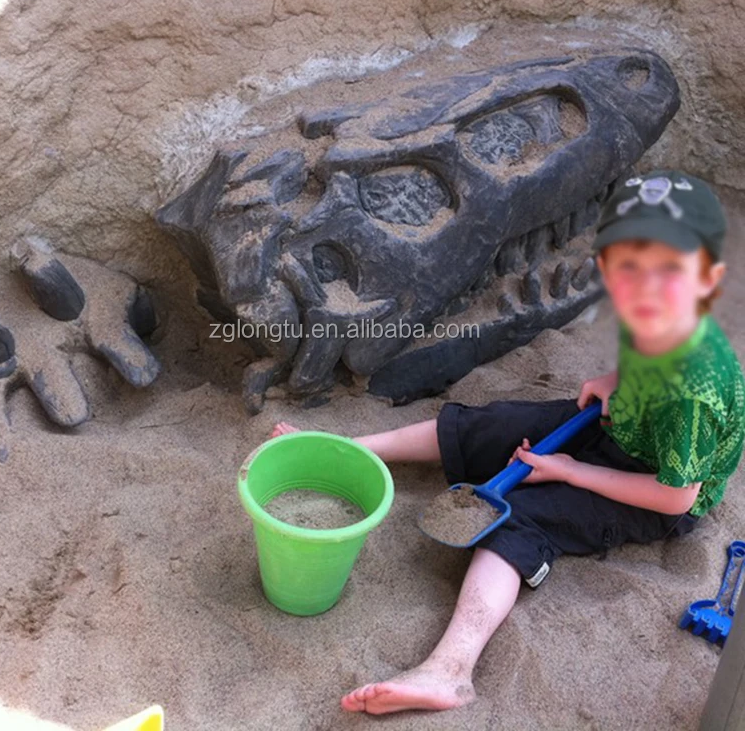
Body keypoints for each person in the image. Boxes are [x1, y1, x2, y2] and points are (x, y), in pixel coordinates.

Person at [271, 170, 745, 715]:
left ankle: (450, 671)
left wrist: (571, 471)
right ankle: (346, 449)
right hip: (621, 424)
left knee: (519, 517)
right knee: (494, 425)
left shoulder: (693, 392)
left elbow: (675, 496)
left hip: (653, 488)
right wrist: (615, 381)